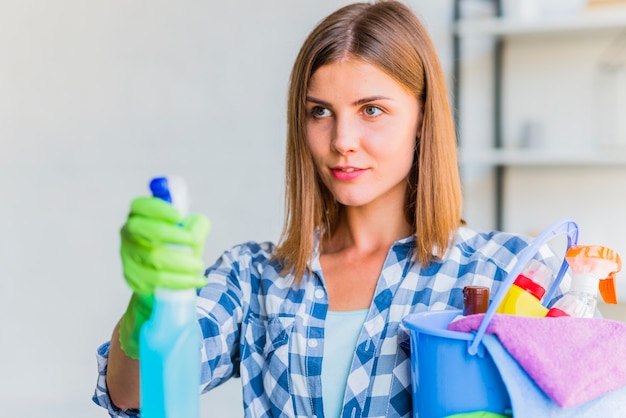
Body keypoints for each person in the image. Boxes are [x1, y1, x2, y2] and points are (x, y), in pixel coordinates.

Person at [93, 1, 562, 417]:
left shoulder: (511, 278)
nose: (341, 141)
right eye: (320, 111)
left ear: (422, 119)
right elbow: (131, 395)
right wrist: (152, 309)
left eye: (371, 110)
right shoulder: (255, 278)